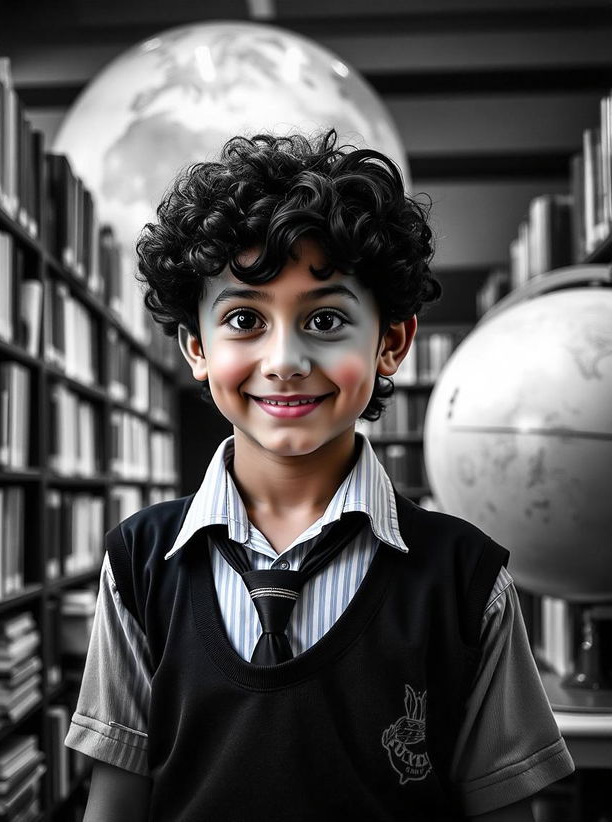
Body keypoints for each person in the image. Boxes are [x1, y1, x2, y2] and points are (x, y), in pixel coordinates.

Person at [65, 129, 574, 821]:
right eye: (244, 318)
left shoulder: (467, 581)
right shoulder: (139, 563)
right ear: (196, 347)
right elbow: (117, 800)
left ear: (391, 341)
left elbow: (505, 808)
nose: (285, 359)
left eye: (326, 318)